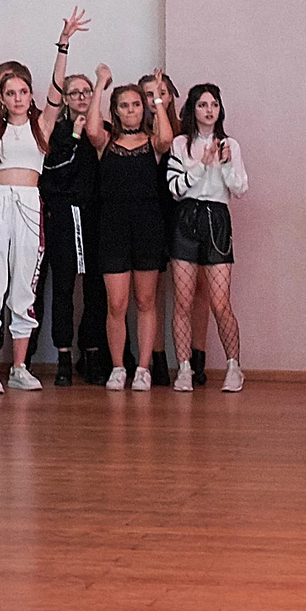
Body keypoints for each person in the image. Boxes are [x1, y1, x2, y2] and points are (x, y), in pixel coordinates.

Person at [0, 10, 84, 393]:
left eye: (23, 92)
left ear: (30, 95)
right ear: (2, 96)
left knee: (24, 288)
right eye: (10, 93)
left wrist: (64, 42)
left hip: (30, 205)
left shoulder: (42, 125)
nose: (17, 98)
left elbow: (58, 87)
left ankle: (20, 367)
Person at [85, 63, 176, 391]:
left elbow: (167, 138)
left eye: (136, 104)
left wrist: (157, 99)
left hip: (148, 228)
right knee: (117, 304)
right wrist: (100, 83)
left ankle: (143, 368)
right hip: (113, 229)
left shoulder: (153, 143)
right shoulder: (105, 142)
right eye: (124, 105)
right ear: (116, 110)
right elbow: (92, 129)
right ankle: (118, 367)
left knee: (146, 302)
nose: (131, 110)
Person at [167, 84, 249, 392]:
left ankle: (234, 367)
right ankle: (184, 368)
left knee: (220, 301)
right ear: (192, 109)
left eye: (214, 104)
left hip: (217, 218)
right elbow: (175, 189)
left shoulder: (230, 144)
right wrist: (201, 165)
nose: (209, 110)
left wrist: (225, 164)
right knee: (183, 300)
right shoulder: (180, 143)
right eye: (202, 104)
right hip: (186, 217)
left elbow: (240, 189)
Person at [41, 73, 100, 386]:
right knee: (63, 287)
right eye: (75, 92)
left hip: (94, 218)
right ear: (64, 98)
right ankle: (62, 357)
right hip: (63, 217)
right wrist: (75, 135)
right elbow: (54, 173)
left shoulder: (100, 130)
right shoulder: (57, 131)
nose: (81, 97)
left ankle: (91, 353)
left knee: (95, 289)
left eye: (86, 91)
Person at [138, 72, 184, 387]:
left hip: (178, 212)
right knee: (150, 291)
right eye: (150, 93)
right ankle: (156, 357)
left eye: (162, 91)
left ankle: (190, 359)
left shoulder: (183, 132)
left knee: (184, 289)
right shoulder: (136, 134)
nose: (157, 98)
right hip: (148, 213)